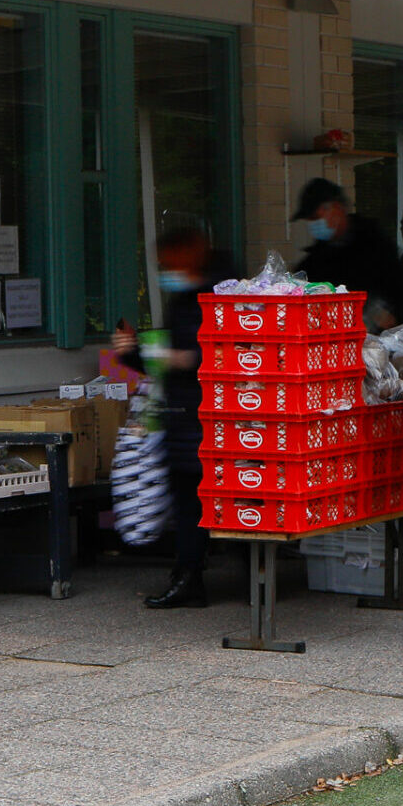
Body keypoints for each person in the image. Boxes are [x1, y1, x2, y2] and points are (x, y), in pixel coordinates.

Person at [112, 228, 222, 609]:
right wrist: (132, 354)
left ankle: (191, 578)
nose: (163, 271)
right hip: (186, 416)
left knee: (193, 502)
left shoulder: (205, 299)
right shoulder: (187, 298)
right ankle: (191, 573)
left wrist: (152, 355)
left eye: (166, 263)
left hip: (197, 416)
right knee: (192, 501)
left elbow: (196, 356)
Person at [290, 177, 403, 330]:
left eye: (316, 218)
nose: (313, 225)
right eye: (310, 220)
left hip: (378, 342)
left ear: (336, 208)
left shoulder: (375, 244)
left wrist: (394, 315)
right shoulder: (316, 259)